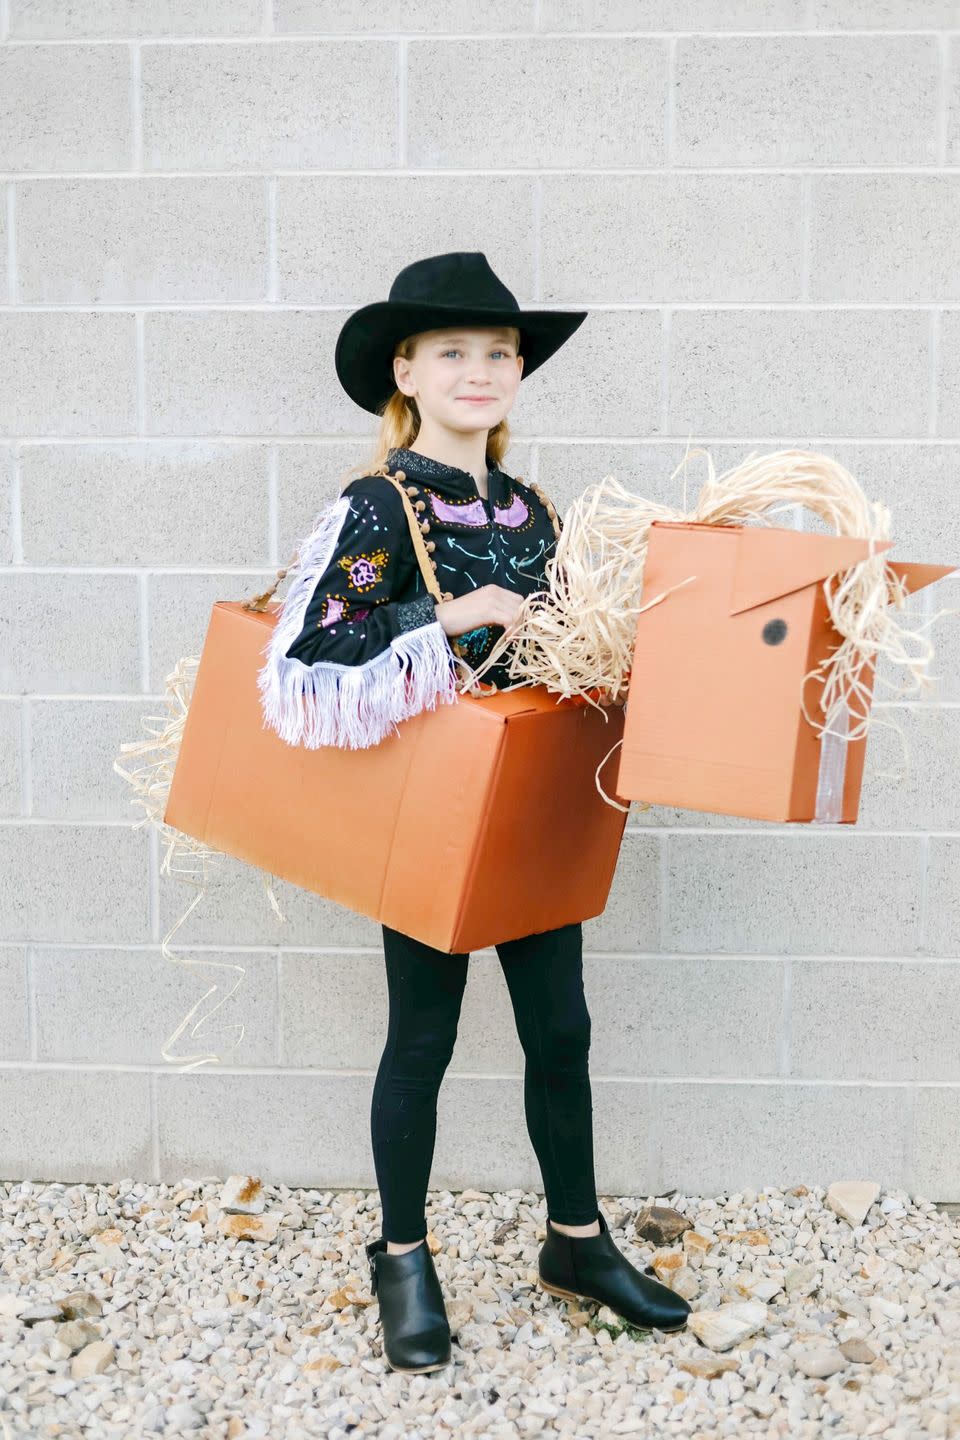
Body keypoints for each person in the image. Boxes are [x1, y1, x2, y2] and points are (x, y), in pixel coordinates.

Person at [258, 253, 690, 1373]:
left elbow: (554, 649)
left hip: (532, 805)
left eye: (497, 353)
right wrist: (454, 615)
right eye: (452, 351)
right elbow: (310, 652)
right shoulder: (379, 503)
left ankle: (577, 1243)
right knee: (424, 1036)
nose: (480, 370)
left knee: (562, 1028)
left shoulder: (530, 506)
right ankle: (402, 1257)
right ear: (405, 369)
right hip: (433, 809)